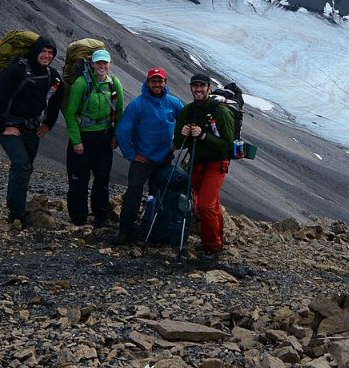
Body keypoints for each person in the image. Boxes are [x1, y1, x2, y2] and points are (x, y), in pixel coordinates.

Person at [0, 36, 64, 226]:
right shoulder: (16, 71)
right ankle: (16, 214)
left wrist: (48, 123)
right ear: (35, 51)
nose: (47, 56)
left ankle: (14, 203)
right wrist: (3, 126)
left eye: (51, 53)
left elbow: (56, 100)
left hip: (32, 129)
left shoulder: (52, 75)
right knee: (21, 164)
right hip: (9, 127)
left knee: (26, 167)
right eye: (43, 51)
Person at [113, 67, 184, 245]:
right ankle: (125, 231)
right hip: (143, 159)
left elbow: (185, 122)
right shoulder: (138, 104)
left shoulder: (173, 103)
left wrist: (177, 144)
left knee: (159, 193)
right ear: (148, 82)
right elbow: (123, 131)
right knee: (134, 190)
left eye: (160, 81)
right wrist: (132, 154)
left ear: (165, 83)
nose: (157, 84)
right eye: (154, 81)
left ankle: (155, 230)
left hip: (165, 158)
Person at [174, 73, 235, 258]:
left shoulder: (220, 112)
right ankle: (217, 240)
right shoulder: (188, 111)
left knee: (205, 205)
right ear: (191, 87)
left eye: (202, 86)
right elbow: (178, 141)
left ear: (209, 88)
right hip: (197, 163)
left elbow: (227, 144)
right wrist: (183, 134)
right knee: (211, 203)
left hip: (216, 163)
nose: (198, 90)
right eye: (195, 86)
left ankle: (212, 247)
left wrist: (202, 136)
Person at [62, 48, 124, 227]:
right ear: (92, 64)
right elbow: (70, 112)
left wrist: (115, 136)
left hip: (104, 137)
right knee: (79, 179)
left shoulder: (114, 84)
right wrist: (76, 141)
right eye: (99, 63)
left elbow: (119, 111)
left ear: (110, 64)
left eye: (105, 63)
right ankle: (78, 219)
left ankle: (101, 217)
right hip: (83, 138)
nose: (102, 66)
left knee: (102, 178)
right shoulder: (81, 83)